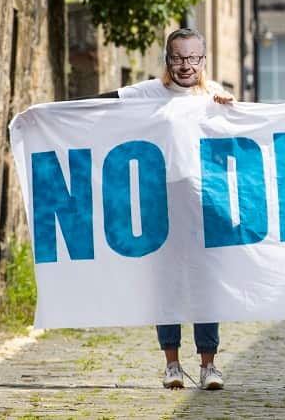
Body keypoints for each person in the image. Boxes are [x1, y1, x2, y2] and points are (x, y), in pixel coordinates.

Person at [115, 26, 233, 391]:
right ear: (168, 59)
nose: (186, 65)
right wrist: (49, 113)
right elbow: (102, 104)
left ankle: (208, 365)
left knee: (204, 283)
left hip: (203, 205)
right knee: (167, 284)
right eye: (178, 57)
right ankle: (172, 365)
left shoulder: (214, 94)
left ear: (203, 59)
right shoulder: (149, 92)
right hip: (160, 203)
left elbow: (248, 129)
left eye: (193, 57)